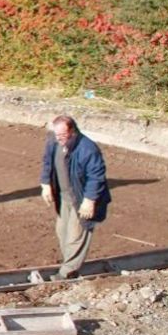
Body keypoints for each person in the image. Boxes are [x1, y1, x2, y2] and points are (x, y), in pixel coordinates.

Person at [39, 114, 111, 280]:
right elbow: (47, 162)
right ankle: (70, 265)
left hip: (82, 199)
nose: (59, 138)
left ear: (73, 132)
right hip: (64, 196)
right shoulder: (54, 141)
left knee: (76, 236)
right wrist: (46, 184)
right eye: (57, 134)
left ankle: (67, 274)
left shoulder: (87, 149)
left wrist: (90, 200)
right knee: (62, 231)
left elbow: (96, 177)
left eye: (63, 135)